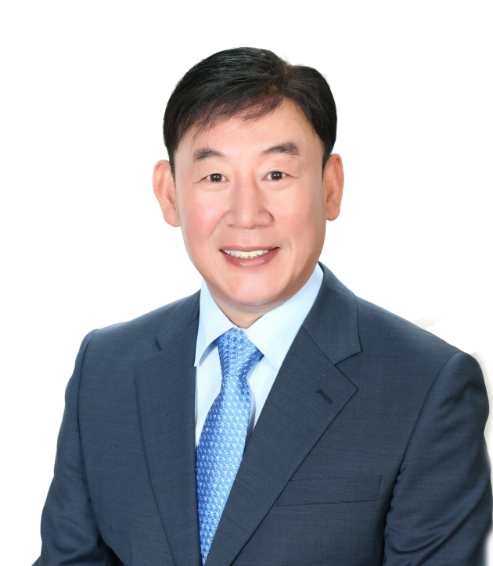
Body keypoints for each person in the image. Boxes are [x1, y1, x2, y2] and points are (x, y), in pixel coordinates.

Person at [33, 47, 491, 565]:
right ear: (169, 193)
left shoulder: (427, 387)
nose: (246, 214)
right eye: (214, 177)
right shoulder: (105, 369)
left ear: (330, 186)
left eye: (276, 174)